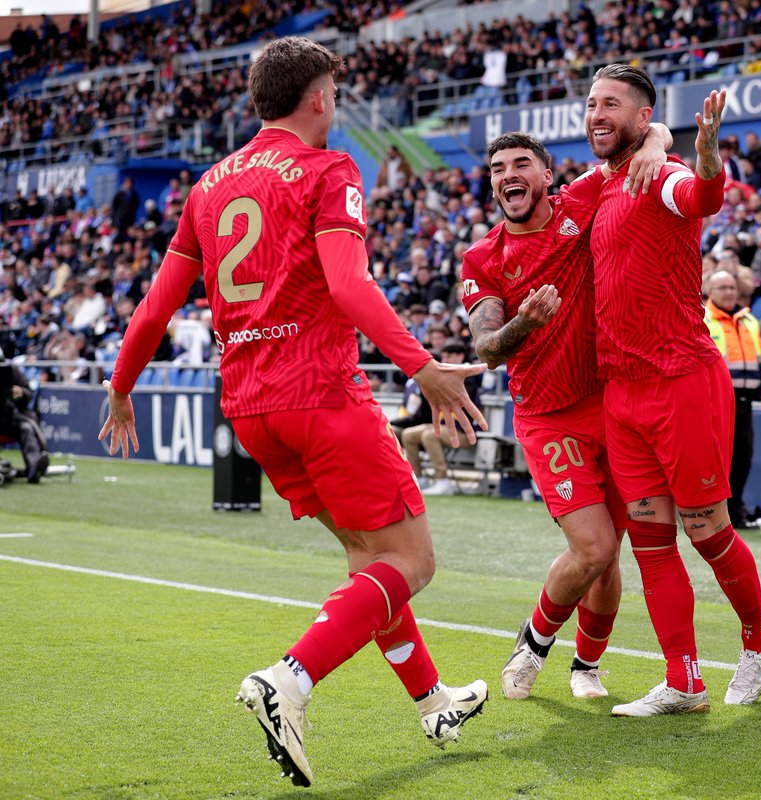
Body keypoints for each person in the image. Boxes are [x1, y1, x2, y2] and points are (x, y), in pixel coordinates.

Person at [97, 37, 490, 788]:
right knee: (411, 562)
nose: (337, 105)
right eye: (335, 93)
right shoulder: (326, 168)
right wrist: (424, 368)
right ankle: (291, 679)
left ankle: (433, 700)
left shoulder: (209, 185)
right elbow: (346, 287)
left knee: (367, 562)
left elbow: (155, 307)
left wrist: (121, 387)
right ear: (318, 98)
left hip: (251, 409)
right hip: (320, 395)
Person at [584, 65, 761, 715]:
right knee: (650, 540)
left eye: (611, 103)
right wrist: (659, 136)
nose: (596, 113)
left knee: (707, 531)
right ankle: (684, 680)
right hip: (623, 393)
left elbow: (702, 198)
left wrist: (700, 152)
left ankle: (758, 636)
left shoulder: (656, 174)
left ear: (641, 118)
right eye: (590, 103)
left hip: (682, 382)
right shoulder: (602, 184)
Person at [462, 129, 668, 702]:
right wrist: (524, 322)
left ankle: (587, 665)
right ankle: (532, 645)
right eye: (499, 166)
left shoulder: (580, 203)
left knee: (610, 555)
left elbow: (645, 133)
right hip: (548, 417)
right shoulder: (482, 257)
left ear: (546, 175)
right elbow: (487, 347)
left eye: (522, 164)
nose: (509, 174)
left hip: (614, 404)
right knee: (595, 547)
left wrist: (654, 147)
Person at [704, 270, 761, 528]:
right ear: (710, 292)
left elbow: (760, 358)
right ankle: (709, 513)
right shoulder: (703, 319)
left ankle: (736, 512)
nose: (729, 292)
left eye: (732, 287)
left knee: (743, 457)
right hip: (713, 402)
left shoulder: (749, 322)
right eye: (722, 288)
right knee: (716, 460)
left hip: (744, 401)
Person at [393, 342, 482, 496]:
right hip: (442, 426)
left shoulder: (468, 379)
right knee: (409, 434)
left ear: (461, 357)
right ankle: (418, 478)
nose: (445, 359)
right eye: (444, 356)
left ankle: (442, 480)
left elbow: (464, 410)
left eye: (449, 356)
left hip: (464, 431)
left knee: (430, 434)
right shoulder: (435, 380)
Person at [0, 361, 49, 483]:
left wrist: (21, 392)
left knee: (27, 428)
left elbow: (28, 392)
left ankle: (34, 469)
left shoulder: (12, 370)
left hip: (11, 419)